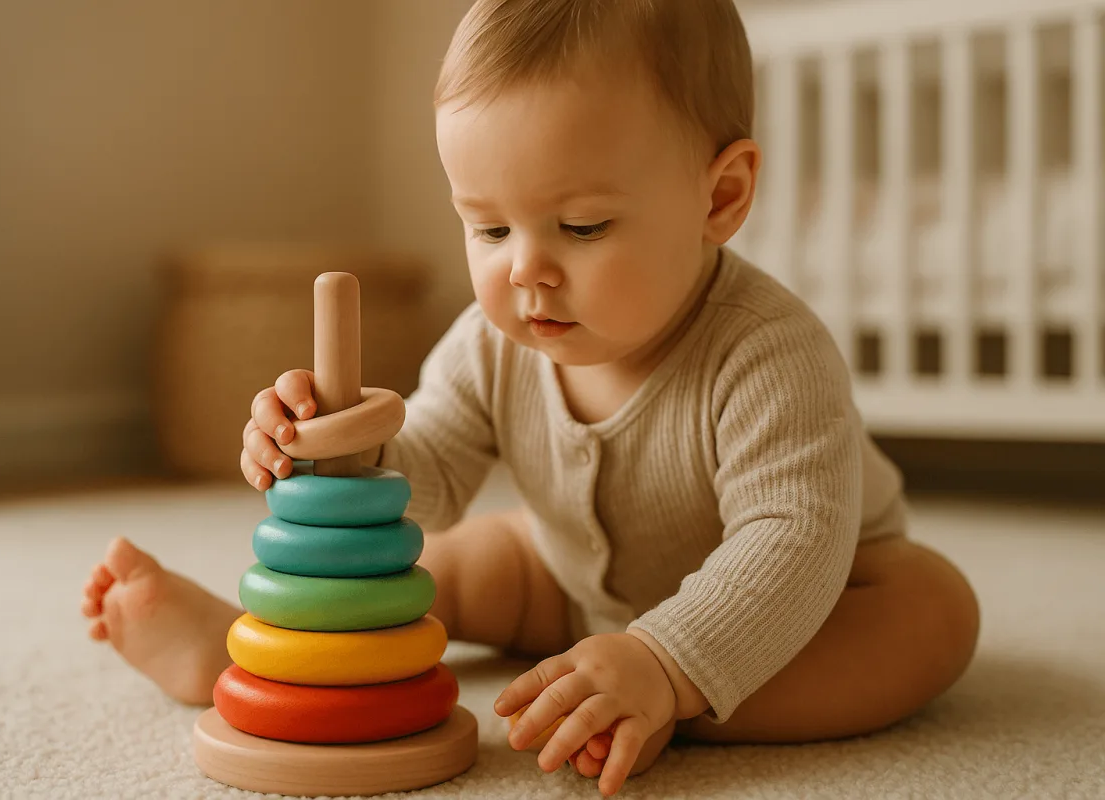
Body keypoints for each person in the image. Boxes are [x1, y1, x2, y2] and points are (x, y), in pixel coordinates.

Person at [82, 1, 981, 795]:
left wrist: (663, 662)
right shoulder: (490, 342)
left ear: (721, 196)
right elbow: (424, 479)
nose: (526, 271)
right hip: (572, 585)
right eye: (490, 226)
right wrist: (333, 448)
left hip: (814, 598)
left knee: (933, 612)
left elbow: (792, 543)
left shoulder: (768, 353)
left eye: (582, 226)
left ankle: (664, 696)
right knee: (463, 555)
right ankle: (273, 658)